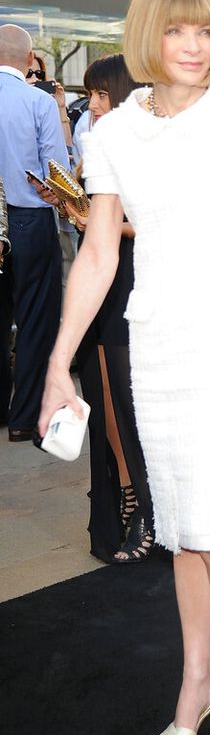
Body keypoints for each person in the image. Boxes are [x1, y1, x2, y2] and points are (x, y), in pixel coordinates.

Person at [38, 0, 210, 735]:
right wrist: (58, 361)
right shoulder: (111, 134)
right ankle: (199, 673)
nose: (194, 46)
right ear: (148, 38)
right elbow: (95, 252)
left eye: (205, 32)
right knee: (183, 522)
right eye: (178, 32)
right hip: (155, 337)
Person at [64, 54, 154, 564]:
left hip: (135, 278)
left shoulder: (150, 144)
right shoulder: (102, 142)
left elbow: (159, 224)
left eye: (101, 94)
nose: (93, 105)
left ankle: (148, 505)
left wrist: (98, 223)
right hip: (101, 275)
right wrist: (77, 209)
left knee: (131, 400)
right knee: (104, 397)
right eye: (91, 95)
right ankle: (121, 493)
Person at [0, 24, 70, 440]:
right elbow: (55, 174)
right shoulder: (38, 102)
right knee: (34, 319)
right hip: (28, 219)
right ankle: (24, 418)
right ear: (30, 61)